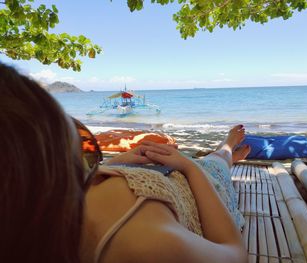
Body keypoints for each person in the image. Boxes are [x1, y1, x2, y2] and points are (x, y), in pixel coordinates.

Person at [0, 62, 250, 263]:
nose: (87, 162)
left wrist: (117, 161)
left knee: (208, 162)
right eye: (78, 142)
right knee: (215, 165)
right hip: (198, 187)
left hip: (158, 169)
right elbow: (234, 254)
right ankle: (227, 149)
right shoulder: (144, 245)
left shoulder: (35, 209)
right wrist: (190, 168)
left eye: (86, 152)